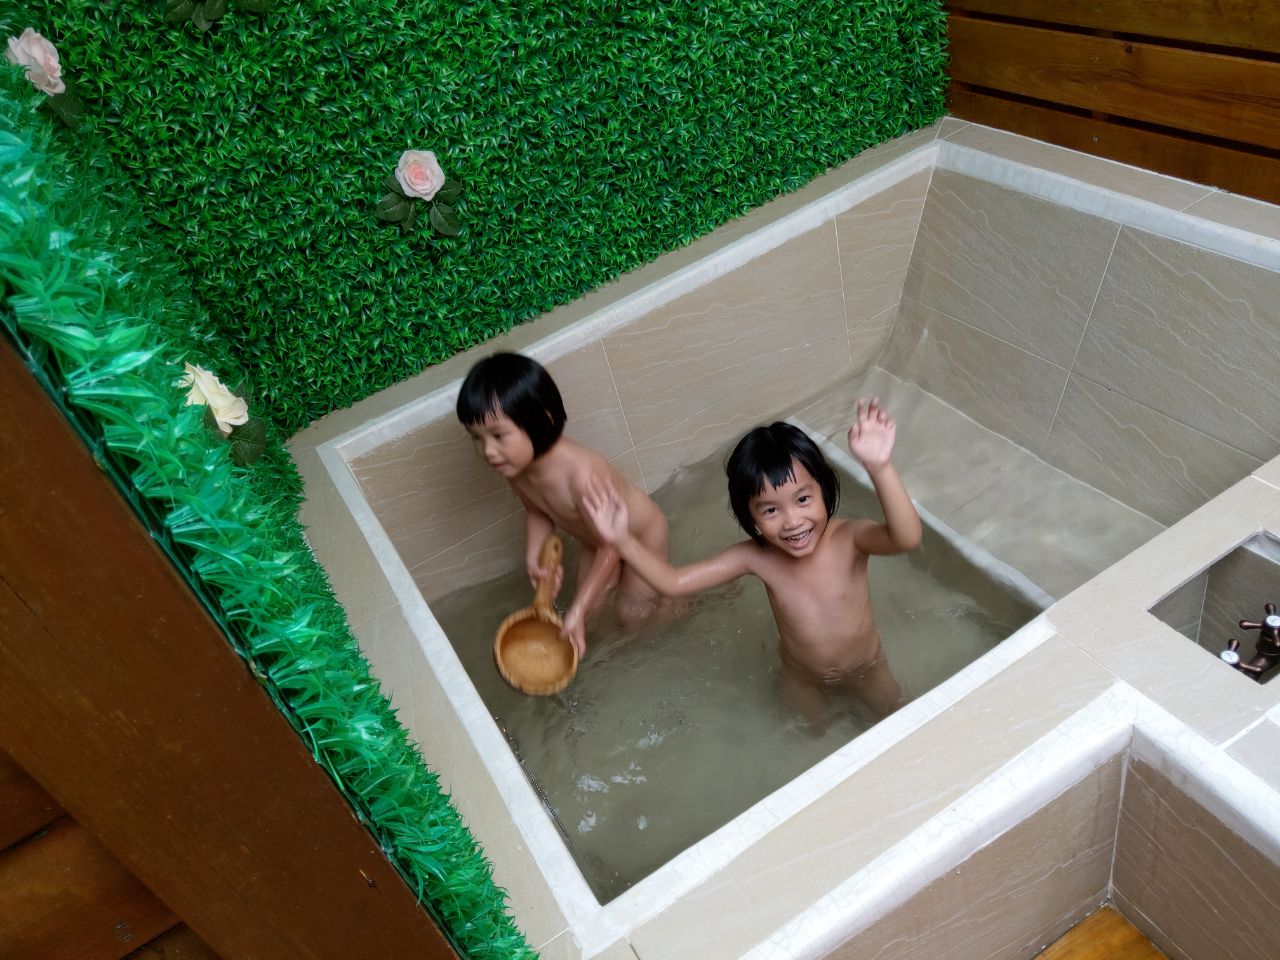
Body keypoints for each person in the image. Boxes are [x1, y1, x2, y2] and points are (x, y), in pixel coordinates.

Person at [582, 400, 921, 725]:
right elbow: (673, 582)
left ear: (824, 489)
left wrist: (880, 467)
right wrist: (622, 540)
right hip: (802, 676)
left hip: (866, 667)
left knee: (897, 717)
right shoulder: (755, 557)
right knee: (808, 734)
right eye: (771, 510)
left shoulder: (849, 539)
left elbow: (906, 538)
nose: (792, 521)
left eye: (803, 499)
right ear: (751, 517)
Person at [457, 352, 669, 657]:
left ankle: (676, 609)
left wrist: (579, 608)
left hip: (637, 537)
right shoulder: (515, 468)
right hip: (597, 541)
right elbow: (537, 511)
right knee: (590, 614)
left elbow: (613, 545)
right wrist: (534, 556)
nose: (488, 451)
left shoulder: (581, 476)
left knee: (633, 616)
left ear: (542, 419)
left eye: (498, 435)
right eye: (476, 438)